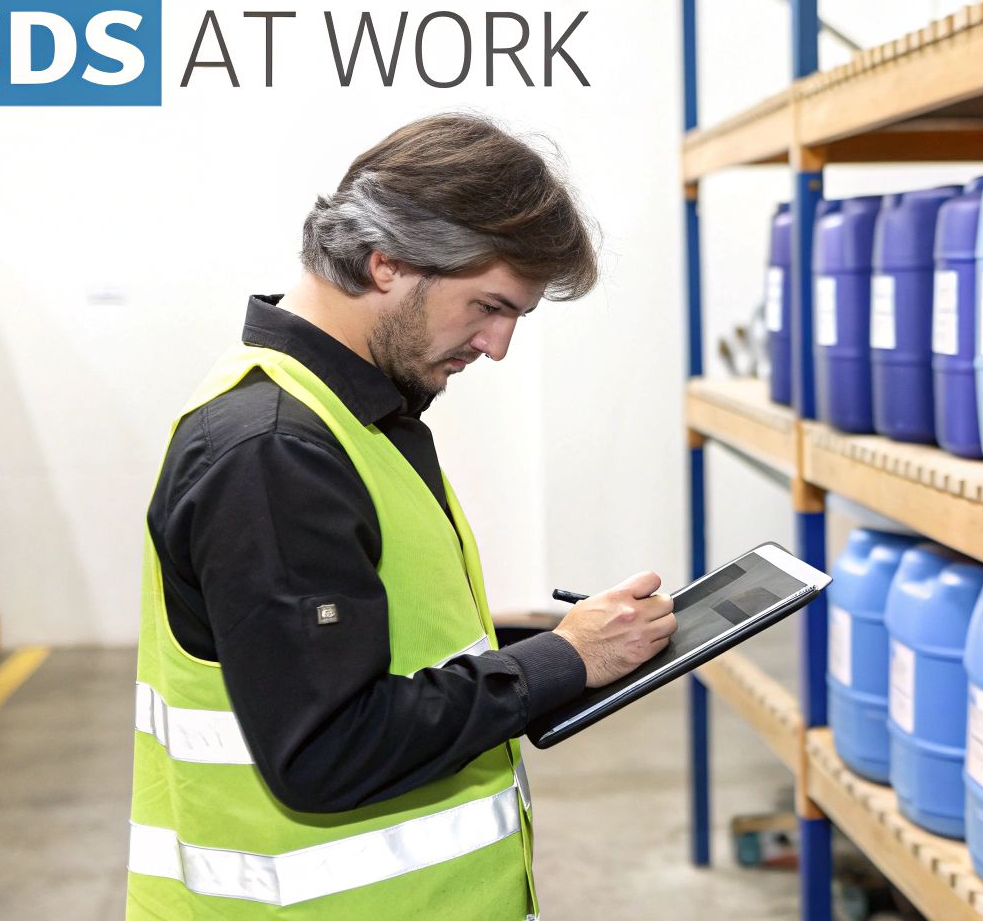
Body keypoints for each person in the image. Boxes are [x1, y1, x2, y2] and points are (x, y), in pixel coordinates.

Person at [127, 113, 675, 919]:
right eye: (488, 307)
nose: (497, 346)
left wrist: (561, 641)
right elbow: (327, 749)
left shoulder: (356, 421)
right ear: (387, 264)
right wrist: (563, 665)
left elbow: (375, 640)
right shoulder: (276, 453)